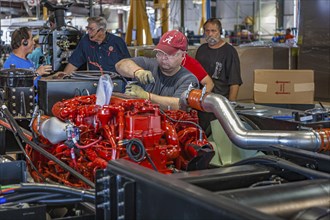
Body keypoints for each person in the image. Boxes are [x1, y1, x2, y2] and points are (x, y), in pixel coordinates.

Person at [115, 30, 199, 110]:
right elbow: (120, 65)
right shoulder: (149, 64)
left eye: (169, 54)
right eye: (160, 53)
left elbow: (178, 104)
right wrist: (138, 71)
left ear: (183, 55)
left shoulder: (189, 79)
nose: (163, 58)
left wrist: (147, 96)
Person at [195, 18, 242, 134]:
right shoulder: (201, 50)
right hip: (202, 104)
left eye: (213, 31)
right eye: (207, 31)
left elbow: (234, 81)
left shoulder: (229, 52)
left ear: (220, 32)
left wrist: (231, 105)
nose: (210, 34)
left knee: (218, 136)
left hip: (220, 105)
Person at [63, 16, 131, 74]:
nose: (88, 32)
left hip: (116, 82)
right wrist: (63, 77)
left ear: (101, 30)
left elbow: (128, 64)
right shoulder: (85, 41)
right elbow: (74, 62)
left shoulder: (117, 42)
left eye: (91, 29)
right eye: (87, 28)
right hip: (95, 82)